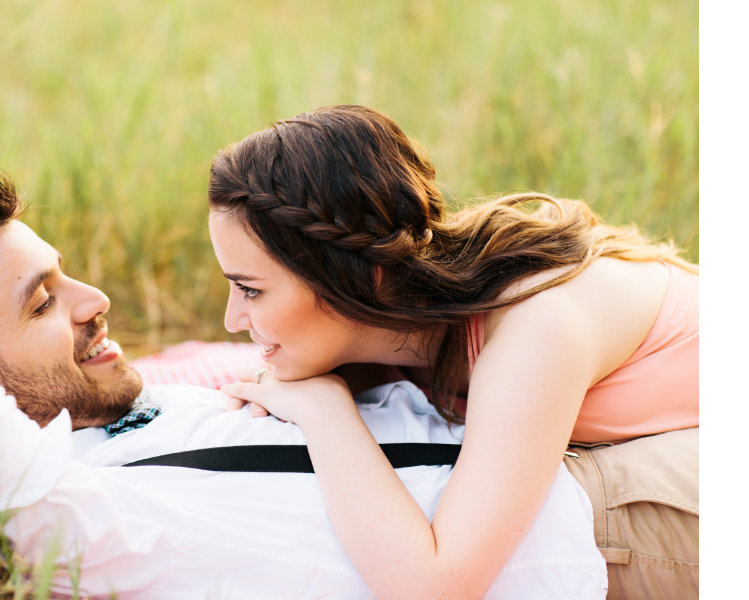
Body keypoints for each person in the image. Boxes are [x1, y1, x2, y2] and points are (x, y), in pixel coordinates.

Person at [0, 174, 607, 599]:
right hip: (602, 535)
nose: (94, 299)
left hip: (543, 444)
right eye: (43, 301)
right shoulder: (64, 511)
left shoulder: (117, 412)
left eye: (66, 274)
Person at [208, 105, 698, 600]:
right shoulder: (396, 325)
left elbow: (434, 585)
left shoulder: (534, 326)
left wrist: (325, 411)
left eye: (251, 290)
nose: (232, 321)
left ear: (352, 278)